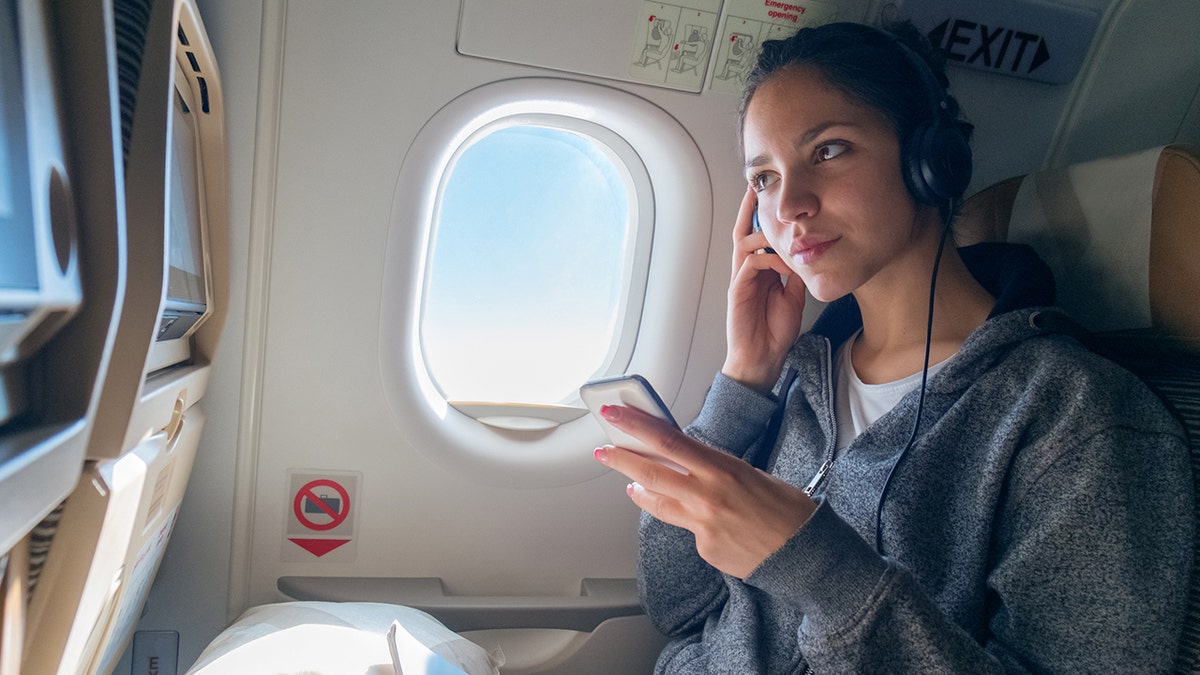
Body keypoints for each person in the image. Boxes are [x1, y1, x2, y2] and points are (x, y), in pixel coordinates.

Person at [591, 21, 1194, 673]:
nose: (788, 204)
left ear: (929, 162)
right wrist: (746, 378)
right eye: (763, 178)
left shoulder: (1072, 414)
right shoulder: (804, 377)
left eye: (828, 150)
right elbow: (675, 606)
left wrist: (820, 570)